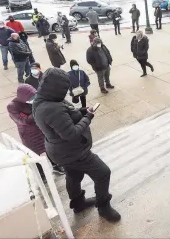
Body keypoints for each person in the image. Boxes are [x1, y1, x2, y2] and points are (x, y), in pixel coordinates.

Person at [32, 68, 121, 222]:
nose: (66, 92)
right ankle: (104, 207)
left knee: (74, 175)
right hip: (74, 152)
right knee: (103, 173)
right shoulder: (51, 109)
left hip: (60, 152)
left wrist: (82, 110)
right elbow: (71, 134)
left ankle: (78, 204)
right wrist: (88, 117)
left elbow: (66, 113)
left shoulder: (43, 99)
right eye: (64, 89)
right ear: (56, 88)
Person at [7, 84, 65, 178]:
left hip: (41, 128)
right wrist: (37, 110)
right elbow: (24, 121)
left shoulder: (36, 100)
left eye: (35, 95)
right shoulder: (12, 106)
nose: (34, 98)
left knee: (49, 147)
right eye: (32, 97)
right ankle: (41, 174)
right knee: (34, 154)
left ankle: (56, 166)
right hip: (29, 135)